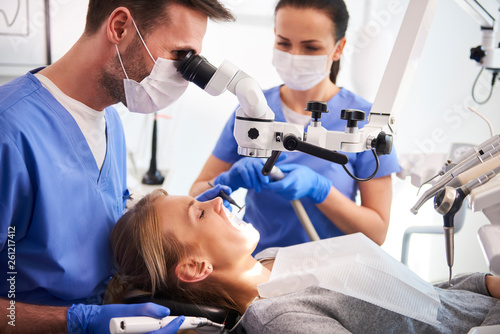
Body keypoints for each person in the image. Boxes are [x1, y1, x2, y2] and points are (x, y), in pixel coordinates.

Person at [0, 1, 234, 332]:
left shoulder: (110, 118)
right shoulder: (8, 131)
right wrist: (69, 322)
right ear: (120, 27)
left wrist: (195, 214)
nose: (184, 76)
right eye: (180, 56)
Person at [106, 189, 500, 333]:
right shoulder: (280, 321)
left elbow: (413, 299)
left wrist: (482, 283)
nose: (216, 201)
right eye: (201, 212)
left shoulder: (271, 259)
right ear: (195, 267)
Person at [189, 0, 401, 254]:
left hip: (331, 274)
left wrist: (320, 190)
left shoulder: (366, 121)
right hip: (258, 266)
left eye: (311, 47)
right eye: (284, 43)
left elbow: (377, 232)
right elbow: (196, 195)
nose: (294, 57)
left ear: (338, 48)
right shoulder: (252, 110)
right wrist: (226, 180)